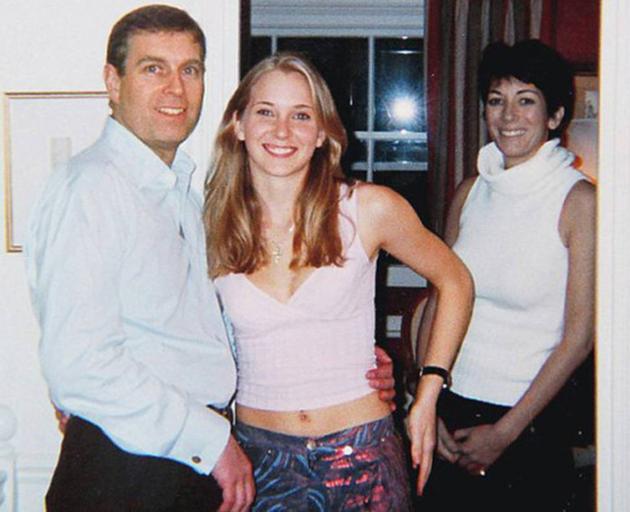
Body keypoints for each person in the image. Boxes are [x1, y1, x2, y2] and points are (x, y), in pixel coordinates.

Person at [25, 7, 395, 511]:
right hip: (129, 468)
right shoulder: (90, 188)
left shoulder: (186, 196)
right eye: (153, 68)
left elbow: (205, 331)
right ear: (113, 81)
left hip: (188, 464)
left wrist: (344, 358)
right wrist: (213, 440)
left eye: (190, 69)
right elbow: (79, 365)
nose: (175, 89)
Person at [204, 52, 473, 511]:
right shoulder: (208, 223)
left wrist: (427, 393)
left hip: (364, 454)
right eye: (266, 112)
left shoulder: (367, 208)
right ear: (239, 125)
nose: (282, 130)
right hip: (259, 462)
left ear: (322, 133)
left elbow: (456, 281)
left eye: (301, 115)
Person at [417, 40, 596, 512]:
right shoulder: (471, 191)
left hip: (528, 423)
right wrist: (426, 399)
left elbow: (579, 337)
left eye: (527, 100)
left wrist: (505, 434)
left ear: (555, 116)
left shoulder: (579, 203)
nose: (509, 115)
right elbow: (438, 300)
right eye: (497, 100)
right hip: (450, 407)